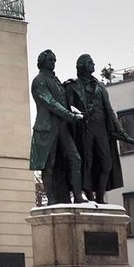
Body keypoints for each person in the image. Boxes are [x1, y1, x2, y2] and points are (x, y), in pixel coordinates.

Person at [64, 53, 134, 204]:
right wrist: (83, 115)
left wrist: (122, 133)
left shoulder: (99, 87)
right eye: (90, 62)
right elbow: (69, 109)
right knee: (87, 162)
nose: (93, 65)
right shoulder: (72, 86)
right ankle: (91, 198)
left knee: (107, 163)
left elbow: (109, 111)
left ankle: (100, 195)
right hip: (84, 129)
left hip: (101, 129)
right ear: (82, 66)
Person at [27, 50, 83, 206]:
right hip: (46, 128)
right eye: (50, 60)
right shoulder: (39, 81)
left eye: (54, 60)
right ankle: (51, 200)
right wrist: (70, 116)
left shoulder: (56, 80)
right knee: (48, 164)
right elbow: (50, 103)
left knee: (75, 159)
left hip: (62, 127)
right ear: (42, 62)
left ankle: (78, 197)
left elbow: (64, 102)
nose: (53, 62)